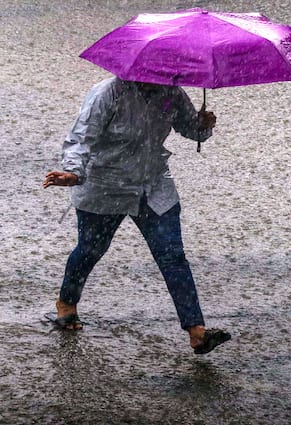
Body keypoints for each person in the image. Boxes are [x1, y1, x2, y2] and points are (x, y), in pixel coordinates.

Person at [43, 76, 230, 355]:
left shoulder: (172, 93)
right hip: (106, 185)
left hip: (152, 186)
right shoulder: (108, 93)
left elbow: (190, 129)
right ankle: (66, 303)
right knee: (91, 249)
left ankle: (196, 330)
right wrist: (73, 172)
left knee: (172, 256)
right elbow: (81, 137)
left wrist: (202, 126)